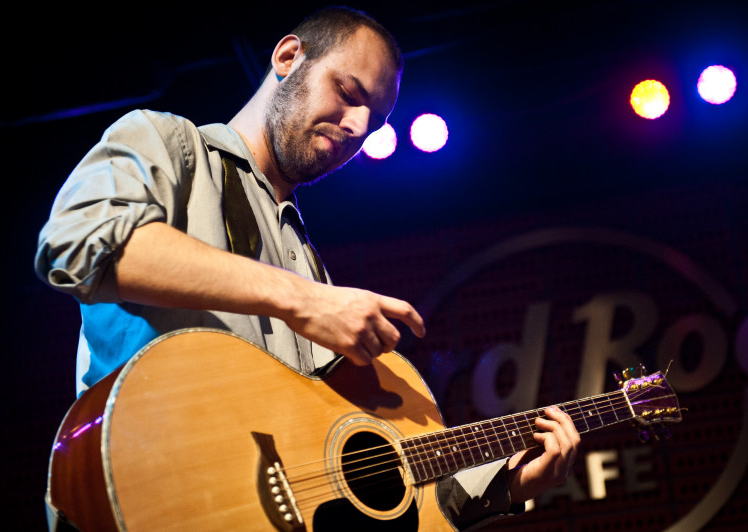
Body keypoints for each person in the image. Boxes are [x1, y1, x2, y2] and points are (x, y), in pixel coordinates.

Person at [36, 6, 580, 530]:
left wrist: (504, 485)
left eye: (374, 120)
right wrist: (303, 298)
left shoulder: (307, 261)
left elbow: (347, 475)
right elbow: (77, 244)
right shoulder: (170, 143)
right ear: (288, 56)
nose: (359, 126)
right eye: (348, 93)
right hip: (146, 496)